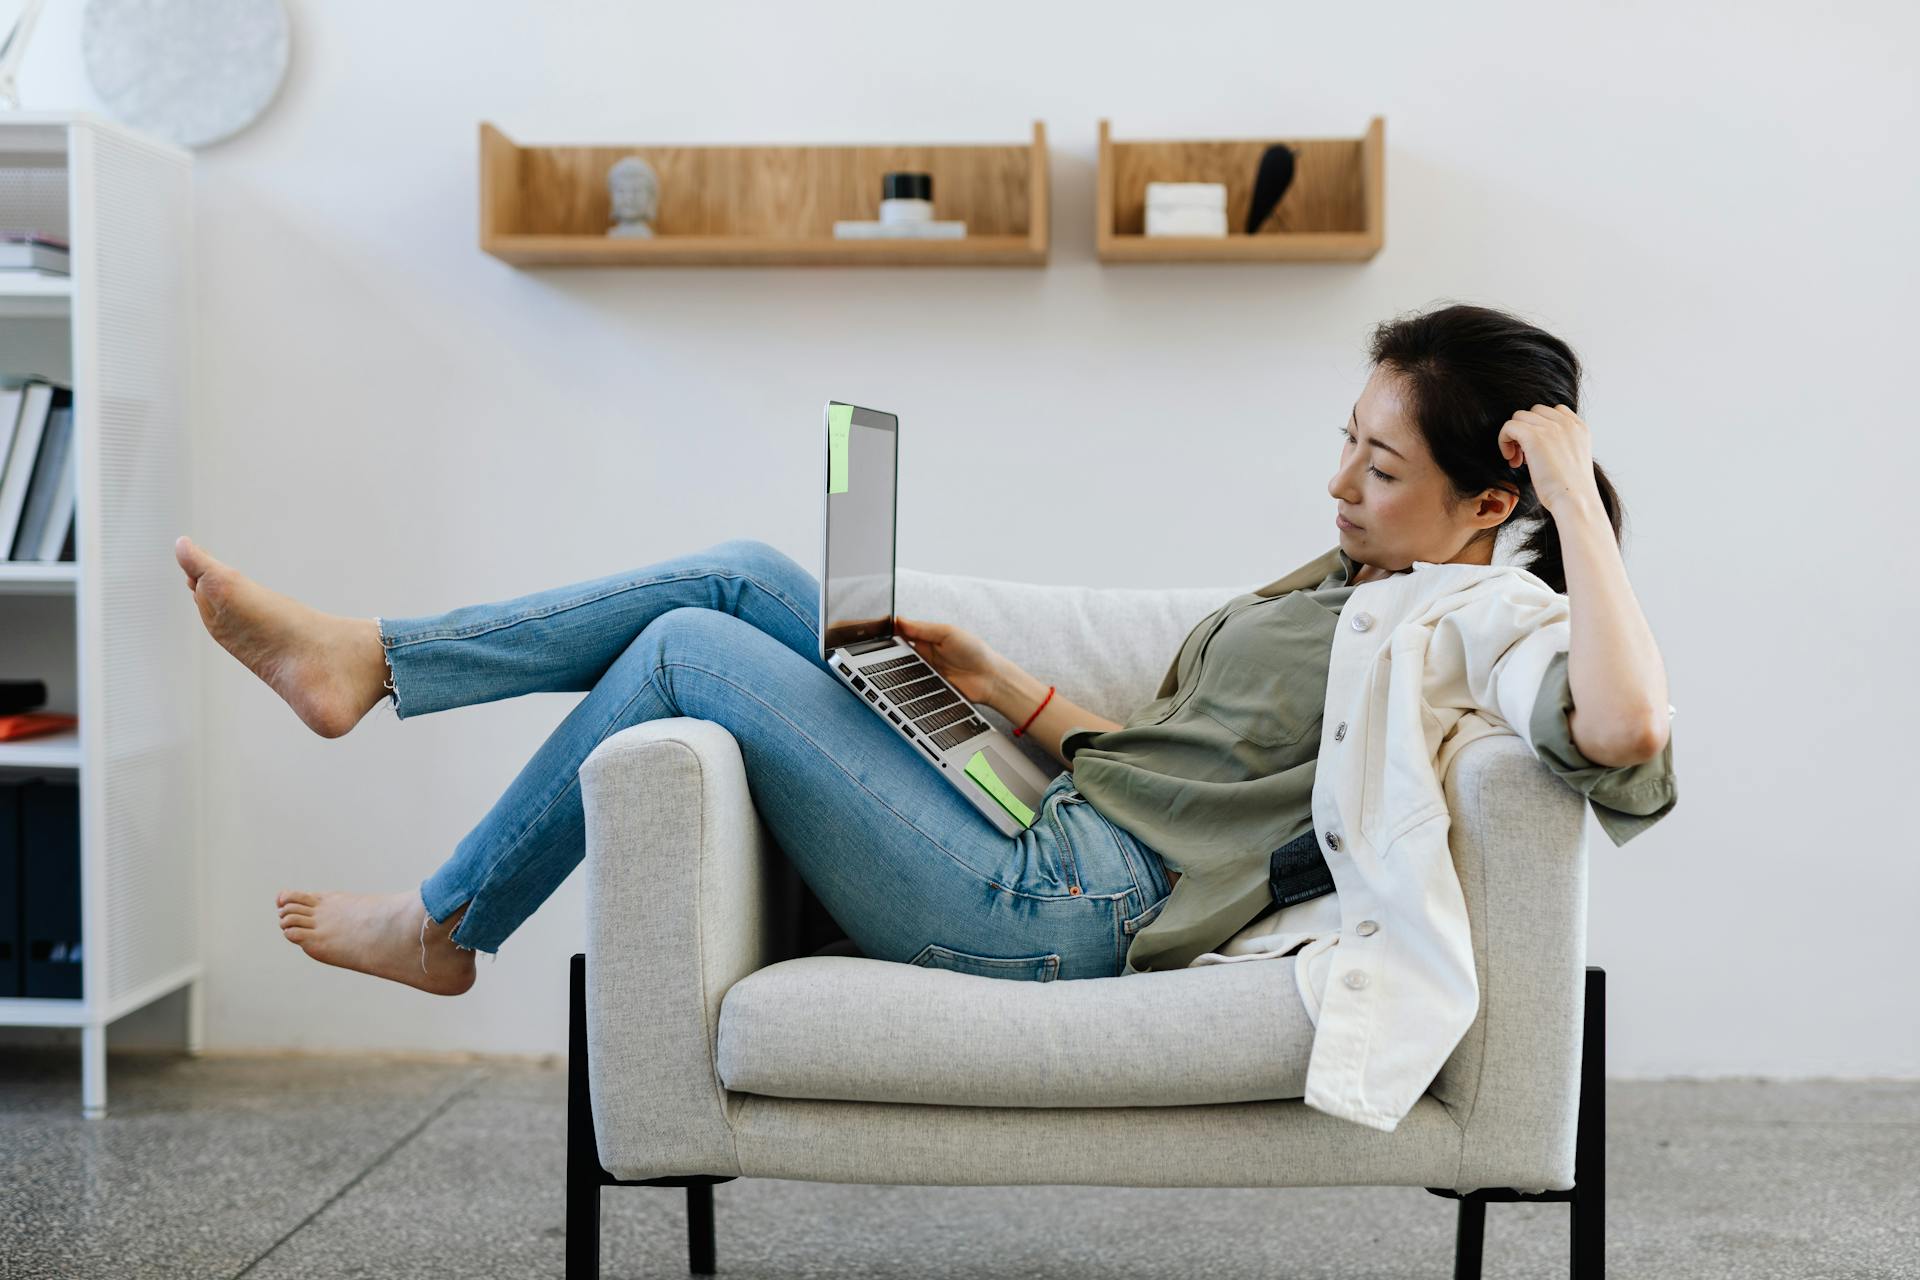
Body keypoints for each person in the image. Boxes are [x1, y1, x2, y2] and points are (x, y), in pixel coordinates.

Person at [173, 301, 1673, 1002]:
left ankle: (451, 924)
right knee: (751, 571)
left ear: (1489, 503)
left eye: (1381, 468)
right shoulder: (1346, 578)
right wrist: (986, 685)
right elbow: (1172, 769)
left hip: (1065, 908)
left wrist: (1574, 507)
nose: (1340, 484)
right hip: (1050, 822)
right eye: (1341, 443)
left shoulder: (1490, 619)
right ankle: (374, 659)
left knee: (694, 650)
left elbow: (1622, 731)